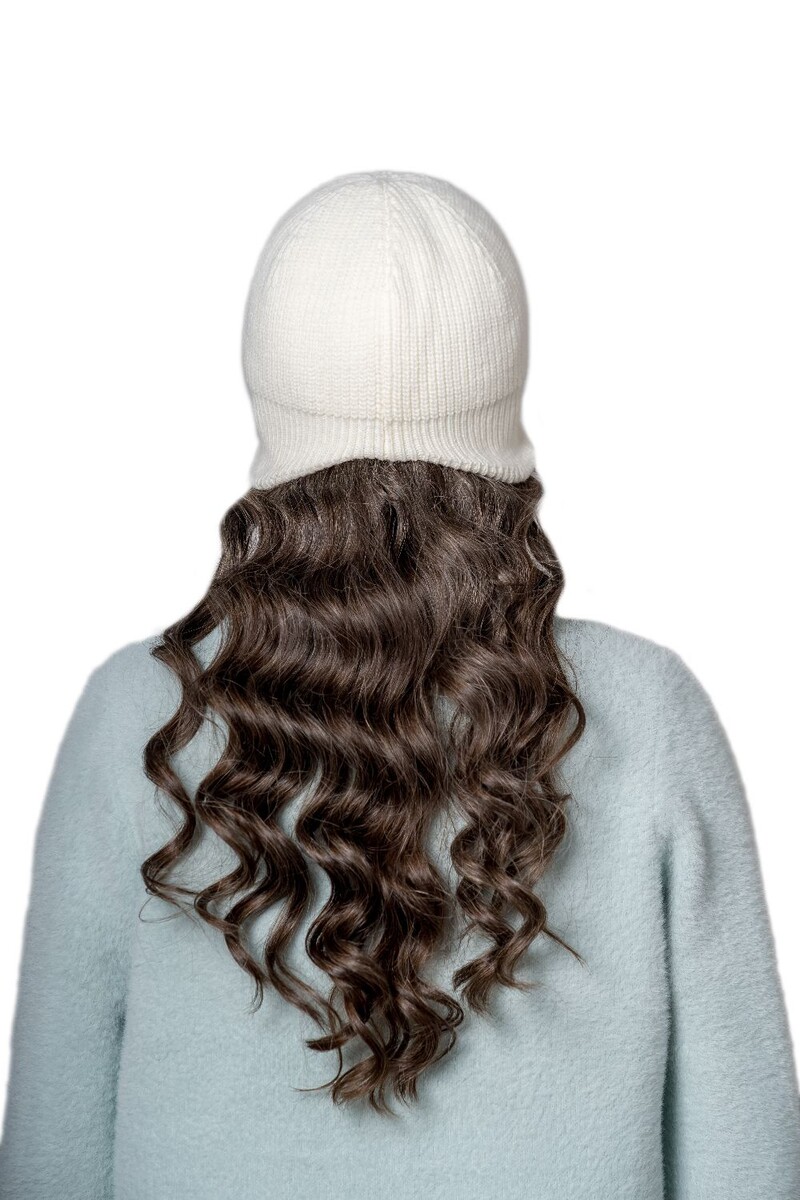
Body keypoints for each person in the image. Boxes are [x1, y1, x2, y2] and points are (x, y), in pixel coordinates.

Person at [0, 169, 798, 1200]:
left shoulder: (139, 711)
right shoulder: (644, 709)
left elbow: (55, 1143)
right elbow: (745, 1149)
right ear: (503, 402)